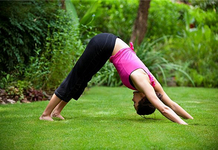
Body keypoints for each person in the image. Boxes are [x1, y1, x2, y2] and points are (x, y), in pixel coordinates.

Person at [39, 33, 193, 124]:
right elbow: (164, 108)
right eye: (136, 104)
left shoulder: (154, 86)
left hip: (107, 47)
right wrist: (183, 124)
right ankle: (45, 114)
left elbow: (172, 104)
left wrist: (190, 118)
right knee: (76, 76)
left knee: (82, 79)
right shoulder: (142, 82)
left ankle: (56, 112)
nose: (132, 102)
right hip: (104, 44)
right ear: (144, 98)